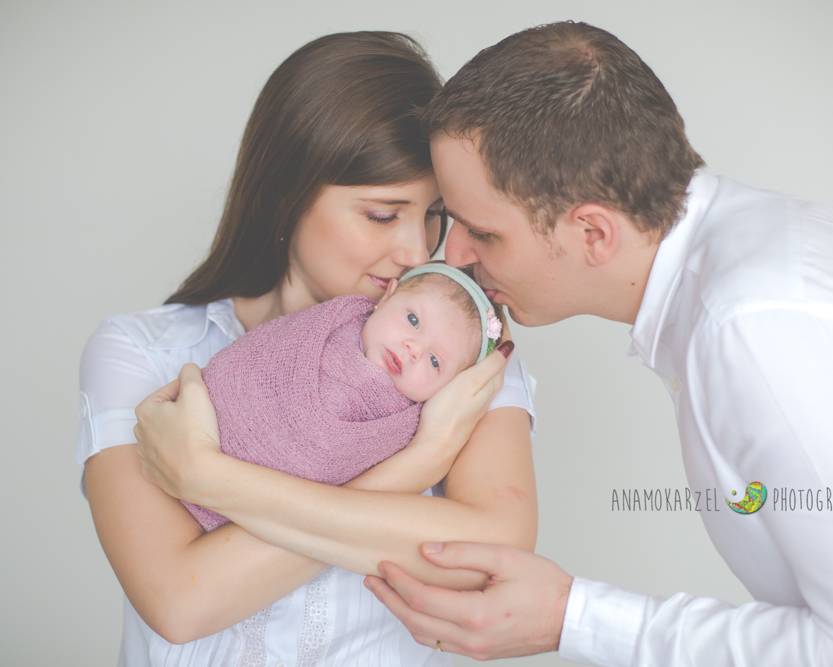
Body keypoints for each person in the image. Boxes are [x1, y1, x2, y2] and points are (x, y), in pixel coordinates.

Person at [348, 21, 833, 666]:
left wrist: (570, 616)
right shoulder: (748, 268)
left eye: (482, 233)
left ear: (594, 235)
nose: (452, 256)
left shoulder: (759, 330)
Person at [77, 31, 537, 667]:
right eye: (382, 214)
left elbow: (491, 560)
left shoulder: (453, 358)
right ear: (284, 196)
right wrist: (420, 460)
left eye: (433, 214)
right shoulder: (144, 354)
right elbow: (180, 603)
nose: (415, 251)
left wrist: (208, 478)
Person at [184, 265, 504, 532]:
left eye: (435, 362)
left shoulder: (413, 423)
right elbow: (255, 362)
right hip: (204, 430)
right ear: (387, 296)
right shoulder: (330, 324)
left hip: (248, 520)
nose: (413, 348)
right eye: (413, 320)